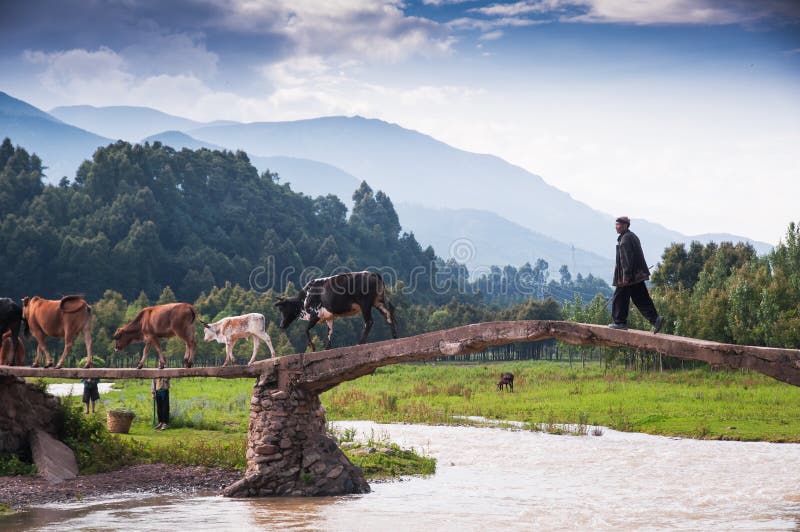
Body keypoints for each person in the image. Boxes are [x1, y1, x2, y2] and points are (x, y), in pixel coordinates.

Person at [608, 216, 665, 333]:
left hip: (629, 277)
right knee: (641, 299)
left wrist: (626, 276)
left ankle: (619, 323)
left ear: (624, 226)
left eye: (618, 225)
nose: (616, 227)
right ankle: (655, 319)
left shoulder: (625, 240)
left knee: (619, 298)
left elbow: (626, 260)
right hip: (637, 276)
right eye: (616, 224)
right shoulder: (632, 236)